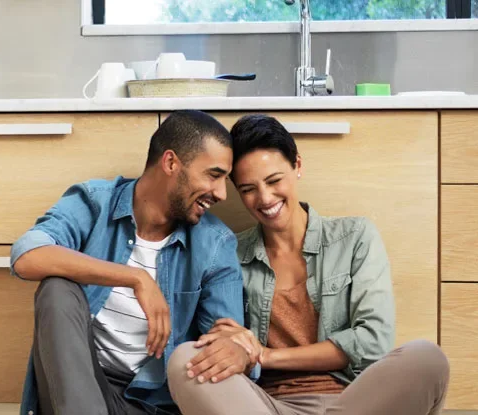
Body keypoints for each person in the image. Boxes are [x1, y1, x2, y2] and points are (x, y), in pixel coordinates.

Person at [167, 114, 450, 415]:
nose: (265, 198)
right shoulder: (228, 252)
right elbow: (223, 343)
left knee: (427, 357)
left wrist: (265, 355)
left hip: (353, 402)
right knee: (186, 360)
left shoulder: (354, 237)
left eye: (274, 180)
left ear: (297, 166)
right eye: (248, 189)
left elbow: (373, 341)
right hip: (264, 406)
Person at [11, 110, 257, 415]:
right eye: (214, 175)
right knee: (56, 289)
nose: (221, 193)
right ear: (170, 163)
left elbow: (224, 338)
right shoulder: (94, 203)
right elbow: (26, 255)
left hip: (155, 405)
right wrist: (135, 278)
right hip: (81, 388)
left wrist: (238, 349)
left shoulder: (215, 244)